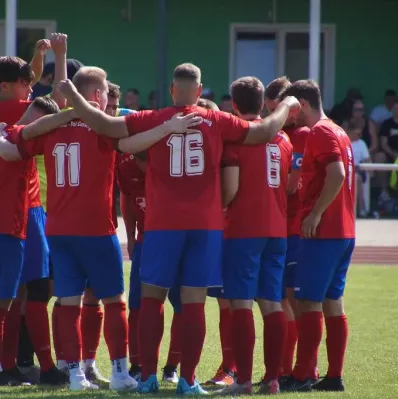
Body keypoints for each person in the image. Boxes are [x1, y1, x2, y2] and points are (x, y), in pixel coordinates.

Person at [54, 62, 300, 395]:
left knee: (153, 300)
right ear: (199, 92)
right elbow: (264, 131)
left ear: (172, 89)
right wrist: (287, 105)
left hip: (162, 224)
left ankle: (150, 378)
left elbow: (105, 124)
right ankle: (187, 380)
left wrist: (73, 97)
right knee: (194, 303)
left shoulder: (156, 117)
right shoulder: (216, 119)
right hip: (205, 225)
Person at [0, 66, 202, 392]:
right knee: (114, 302)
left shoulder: (49, 127)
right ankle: (119, 372)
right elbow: (135, 145)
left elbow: (7, 150)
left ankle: (74, 374)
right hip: (96, 230)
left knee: (68, 302)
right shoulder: (102, 128)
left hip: (58, 230)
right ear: (99, 96)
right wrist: (168, 127)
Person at [0, 36, 73, 386]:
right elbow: (57, 101)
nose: (30, 88)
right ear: (7, 86)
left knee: (10, 299)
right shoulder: (17, 121)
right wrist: (59, 54)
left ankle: (5, 365)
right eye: (24, 83)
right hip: (11, 221)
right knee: (5, 300)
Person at [216, 76, 293, 396]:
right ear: (262, 103)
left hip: (243, 229)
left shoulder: (235, 138)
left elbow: (230, 188)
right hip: (276, 229)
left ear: (234, 104)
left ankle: (245, 381)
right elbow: (289, 185)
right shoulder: (283, 138)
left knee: (241, 303)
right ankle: (272, 379)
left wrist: (219, 207)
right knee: (273, 303)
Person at [278, 80, 355, 393]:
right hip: (344, 232)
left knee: (308, 301)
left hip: (323, 233)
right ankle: (333, 376)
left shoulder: (320, 132)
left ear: (303, 105)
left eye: (290, 108)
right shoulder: (339, 131)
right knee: (331, 302)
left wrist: (315, 213)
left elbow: (336, 174)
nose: (288, 115)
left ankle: (302, 374)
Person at [109, 83, 183, 384]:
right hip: (146, 241)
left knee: (184, 304)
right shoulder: (126, 165)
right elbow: (126, 198)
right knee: (140, 304)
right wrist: (129, 234)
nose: (140, 164)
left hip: (177, 238)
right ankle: (139, 364)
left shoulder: (168, 158)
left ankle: (173, 366)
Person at [265, 76, 311, 382]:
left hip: (295, 227)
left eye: (276, 109)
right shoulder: (278, 134)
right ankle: (283, 369)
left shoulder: (303, 135)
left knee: (293, 299)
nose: (274, 117)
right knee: (280, 298)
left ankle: (303, 367)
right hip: (279, 227)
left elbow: (293, 186)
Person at [195, 98, 236, 389]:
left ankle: (231, 368)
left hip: (226, 233)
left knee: (229, 303)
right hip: (204, 232)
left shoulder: (225, 148)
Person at [348, 121, 371, 217]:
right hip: (344, 169)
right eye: (357, 133)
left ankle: (360, 209)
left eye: (360, 133)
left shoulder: (361, 143)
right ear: (350, 132)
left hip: (358, 171)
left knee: (356, 178)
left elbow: (367, 160)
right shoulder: (343, 140)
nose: (358, 135)